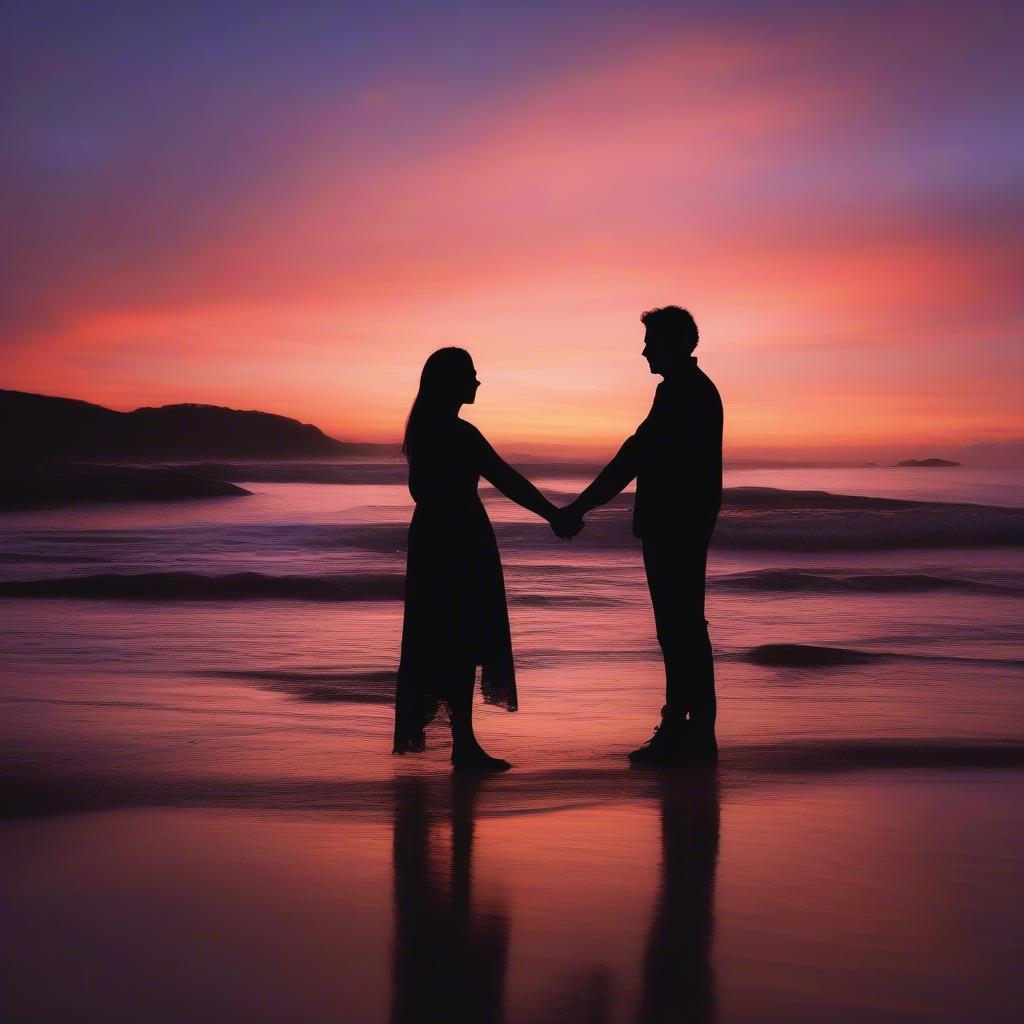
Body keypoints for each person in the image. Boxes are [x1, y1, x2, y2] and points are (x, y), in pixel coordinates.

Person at [393, 347, 579, 771]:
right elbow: (508, 480)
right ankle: (464, 744)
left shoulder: (423, 429)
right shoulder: (456, 433)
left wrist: (554, 514)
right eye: (471, 375)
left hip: (434, 538)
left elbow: (422, 491)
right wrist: (556, 515)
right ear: (453, 381)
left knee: (445, 637)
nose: (478, 382)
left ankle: (465, 742)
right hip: (460, 539)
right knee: (463, 637)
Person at [557, 306, 722, 763]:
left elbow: (635, 456)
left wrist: (577, 508)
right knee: (684, 625)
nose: (644, 349)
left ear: (672, 344)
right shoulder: (691, 390)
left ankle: (685, 731)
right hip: (686, 521)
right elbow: (640, 454)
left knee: (679, 626)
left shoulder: (680, 392)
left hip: (676, 524)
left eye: (651, 341)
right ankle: (693, 729)